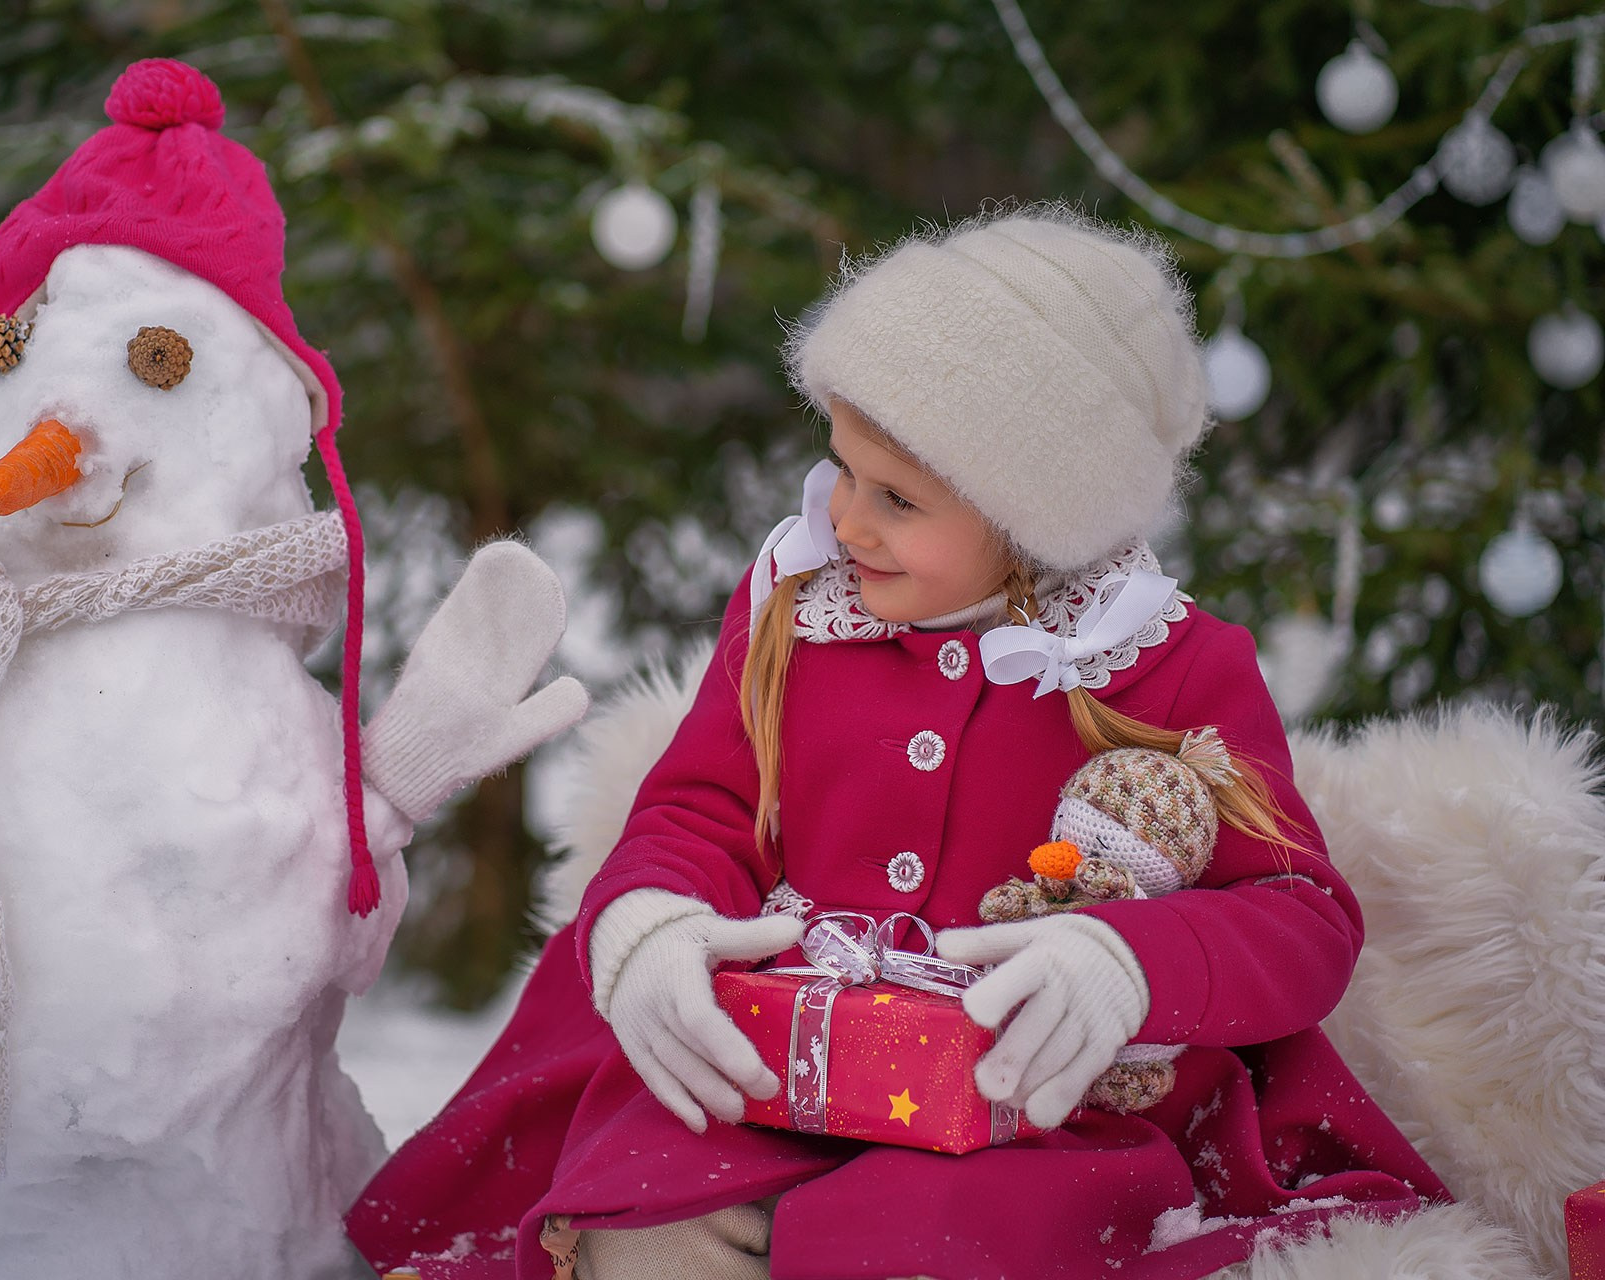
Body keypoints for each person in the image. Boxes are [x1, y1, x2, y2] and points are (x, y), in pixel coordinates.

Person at [349, 206, 1448, 1280]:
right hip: (772, 1065)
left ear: (1036, 519)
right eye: (841, 467)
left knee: (917, 1246)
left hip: (1030, 1120)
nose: (849, 520)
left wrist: (1127, 963)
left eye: (898, 497)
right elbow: (702, 810)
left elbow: (1301, 918)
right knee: (643, 1222)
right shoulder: (800, 605)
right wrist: (650, 923)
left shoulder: (1167, 660)